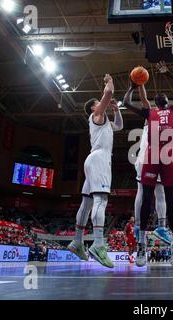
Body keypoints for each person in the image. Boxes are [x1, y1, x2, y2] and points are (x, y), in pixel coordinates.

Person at [123, 61, 173, 267]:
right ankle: (142, 245)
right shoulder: (149, 113)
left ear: (167, 100)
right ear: (155, 101)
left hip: (168, 158)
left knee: (171, 202)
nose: (160, 95)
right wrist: (133, 86)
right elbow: (126, 103)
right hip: (151, 158)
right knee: (145, 200)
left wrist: (168, 72)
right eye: (157, 96)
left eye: (164, 95)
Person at [67, 74, 123, 268]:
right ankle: (98, 245)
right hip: (99, 159)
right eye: (99, 103)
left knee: (87, 202)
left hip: (93, 159)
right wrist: (108, 80)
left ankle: (77, 241)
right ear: (93, 107)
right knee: (101, 200)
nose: (102, 103)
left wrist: (116, 110)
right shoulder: (96, 115)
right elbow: (109, 92)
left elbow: (120, 125)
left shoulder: (104, 121)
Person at [134, 85, 172, 245]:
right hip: (150, 157)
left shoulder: (158, 114)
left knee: (143, 191)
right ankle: (160, 227)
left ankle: (138, 227)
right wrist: (142, 84)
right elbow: (144, 99)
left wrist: (141, 84)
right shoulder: (156, 114)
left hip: (149, 157)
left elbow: (144, 100)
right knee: (158, 193)